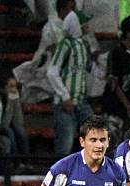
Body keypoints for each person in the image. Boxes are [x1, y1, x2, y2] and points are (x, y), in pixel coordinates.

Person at [47, 9, 94, 155]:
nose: (87, 26)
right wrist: (65, 96)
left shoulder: (84, 44)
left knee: (96, 134)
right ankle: (60, 176)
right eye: (84, 23)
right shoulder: (65, 44)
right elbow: (52, 72)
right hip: (64, 102)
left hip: (81, 101)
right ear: (76, 24)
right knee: (65, 145)